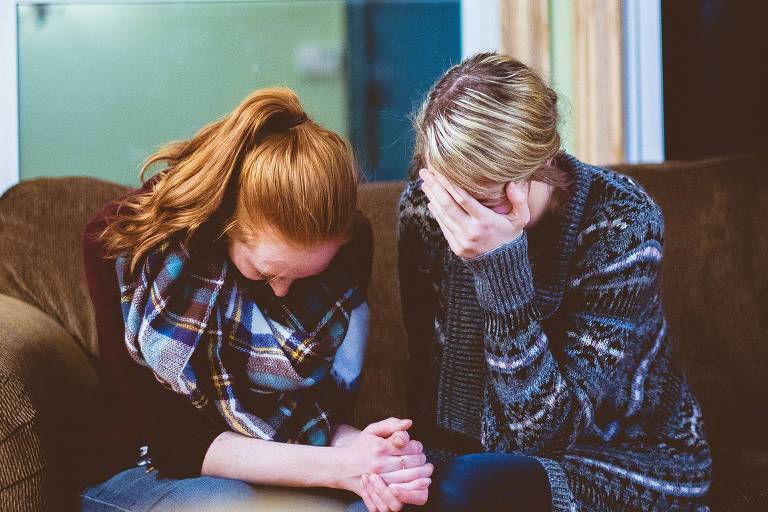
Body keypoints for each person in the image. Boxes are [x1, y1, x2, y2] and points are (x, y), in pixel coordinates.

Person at [81, 87, 432, 511]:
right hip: (147, 469)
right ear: (226, 221)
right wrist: (339, 468)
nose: (283, 291)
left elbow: (319, 415)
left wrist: (374, 454)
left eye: (304, 277)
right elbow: (174, 444)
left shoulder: (350, 247)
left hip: (286, 467)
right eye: (265, 273)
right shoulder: (125, 246)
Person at [398, 53, 712, 511]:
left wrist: (500, 268)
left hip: (622, 458)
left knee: (465, 487)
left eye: (485, 200)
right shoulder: (427, 211)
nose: (463, 218)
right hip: (475, 460)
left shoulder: (621, 223)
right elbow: (428, 376)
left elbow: (546, 434)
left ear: (542, 162)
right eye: (451, 193)